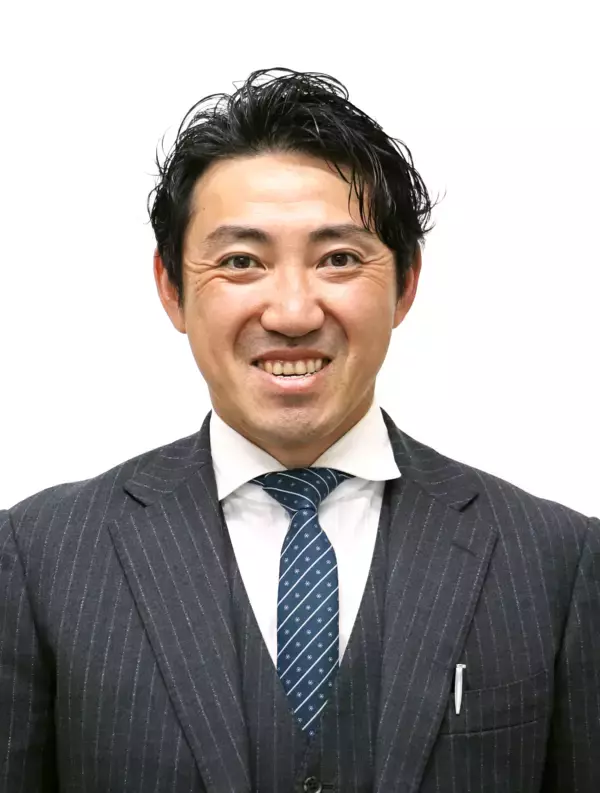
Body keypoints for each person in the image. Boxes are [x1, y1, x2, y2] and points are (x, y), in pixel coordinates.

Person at [1, 67, 598, 793]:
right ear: (171, 287)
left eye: (338, 259)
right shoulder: (37, 557)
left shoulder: (558, 560)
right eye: (241, 261)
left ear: (405, 284)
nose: (291, 312)